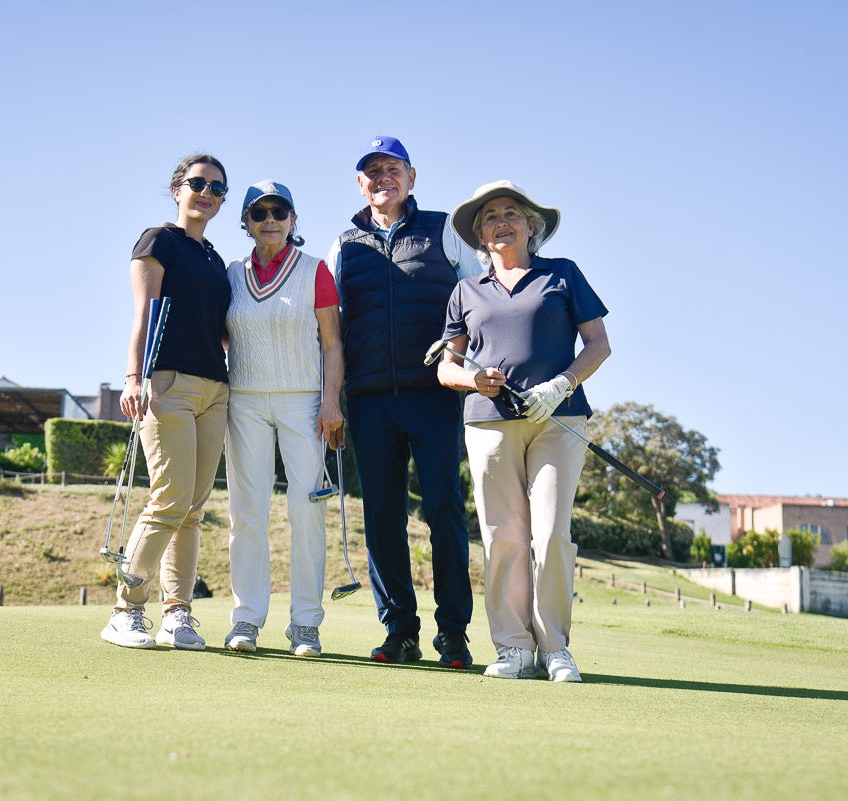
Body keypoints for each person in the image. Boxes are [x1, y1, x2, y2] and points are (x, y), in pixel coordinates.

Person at [434, 180, 610, 681]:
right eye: (491, 217)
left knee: (551, 533)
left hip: (559, 418)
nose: (502, 222)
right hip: (489, 423)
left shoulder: (563, 275)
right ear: (480, 235)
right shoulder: (466, 291)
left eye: (513, 213)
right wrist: (475, 380)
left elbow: (598, 344)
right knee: (502, 537)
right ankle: (513, 647)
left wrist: (561, 384)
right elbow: (447, 368)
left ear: (532, 227)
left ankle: (555, 646)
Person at [326, 136, 483, 668]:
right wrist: (332, 399)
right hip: (370, 400)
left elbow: (477, 298)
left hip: (435, 396)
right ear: (359, 183)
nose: (382, 178)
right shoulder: (343, 245)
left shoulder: (446, 231)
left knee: (444, 512)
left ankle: (453, 633)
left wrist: (462, 361)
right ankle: (400, 631)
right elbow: (328, 327)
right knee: (383, 518)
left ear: (412, 177)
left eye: (392, 169)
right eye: (372, 171)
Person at [100, 153, 232, 650]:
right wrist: (134, 377)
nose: (206, 193)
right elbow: (144, 313)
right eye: (197, 183)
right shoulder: (159, 241)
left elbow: (221, 331)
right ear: (178, 189)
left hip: (215, 391)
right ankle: (126, 611)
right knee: (170, 499)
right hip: (168, 384)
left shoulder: (215, 259)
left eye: (217, 188)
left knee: (194, 509)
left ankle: (178, 614)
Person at [223, 180, 345, 657]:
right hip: (245, 402)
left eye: (280, 211)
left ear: (293, 220)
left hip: (304, 403)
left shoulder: (315, 271)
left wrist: (331, 402)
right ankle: (246, 620)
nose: (269, 219)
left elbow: (332, 343)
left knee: (306, 511)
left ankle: (305, 624)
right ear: (247, 222)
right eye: (259, 212)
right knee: (246, 514)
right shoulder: (232, 273)